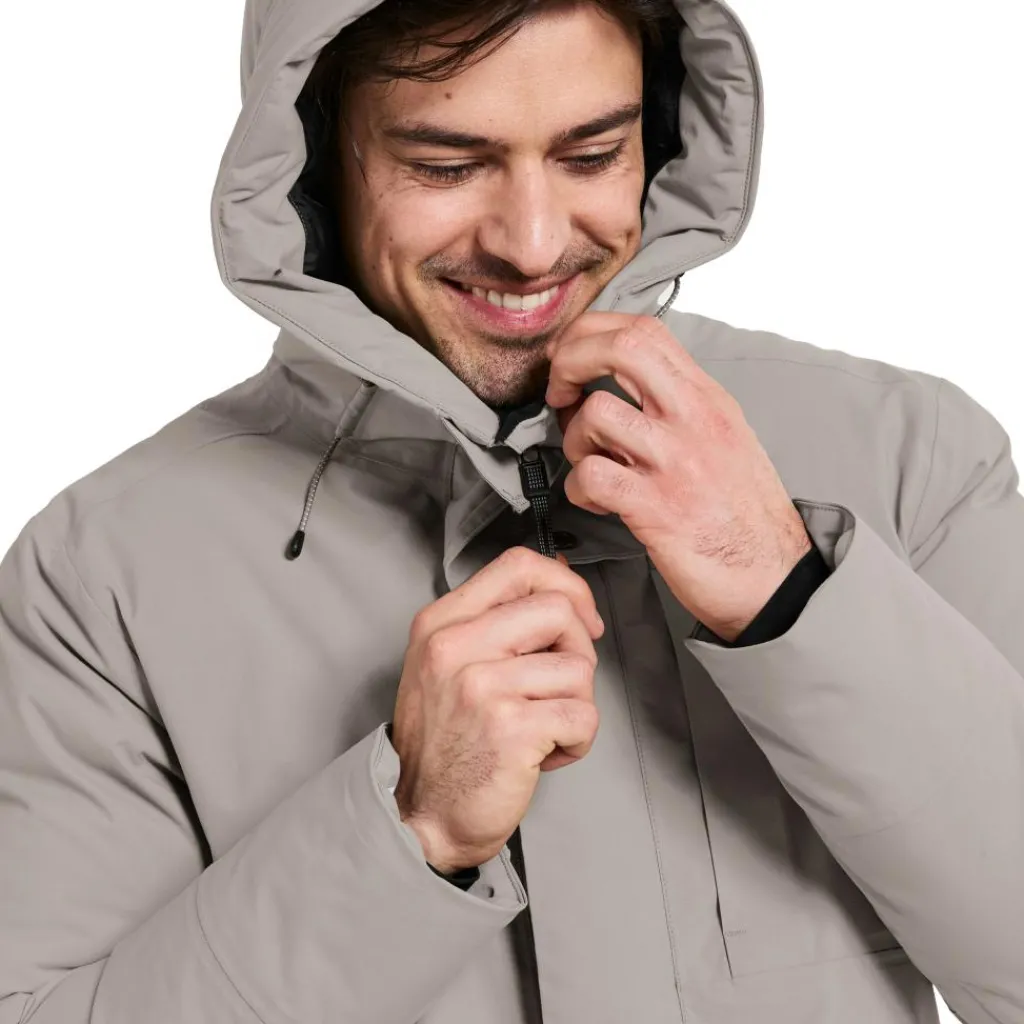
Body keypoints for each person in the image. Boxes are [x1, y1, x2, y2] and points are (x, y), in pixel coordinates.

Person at [0, 0, 1020, 1022]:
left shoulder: (904, 456)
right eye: (446, 167)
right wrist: (410, 831)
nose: (532, 246)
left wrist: (786, 585)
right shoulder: (105, 574)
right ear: (311, 161)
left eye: (592, 155)